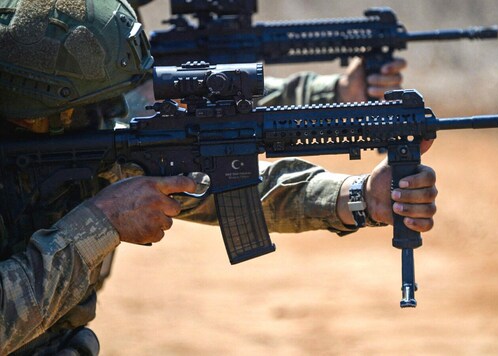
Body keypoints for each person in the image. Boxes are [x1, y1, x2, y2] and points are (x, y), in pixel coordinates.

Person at [0, 0, 437, 354]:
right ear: (39, 112)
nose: (113, 114)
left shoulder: (85, 127)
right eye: (89, 109)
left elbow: (224, 181)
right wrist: (100, 223)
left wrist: (358, 196)